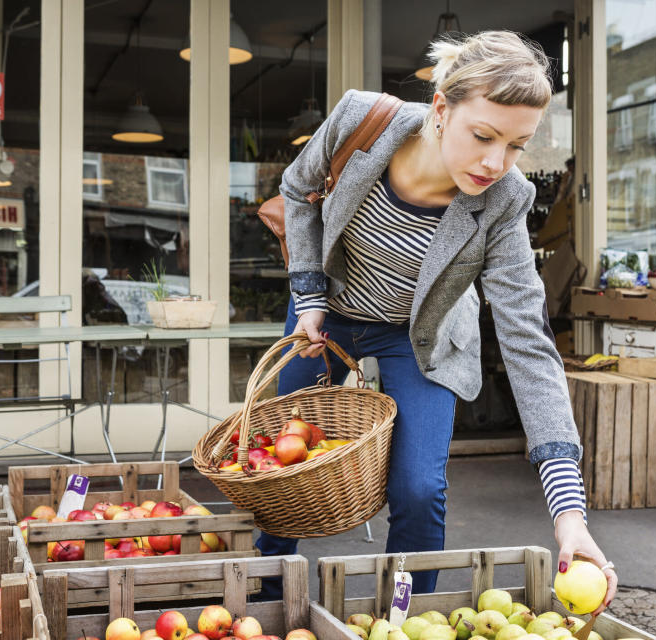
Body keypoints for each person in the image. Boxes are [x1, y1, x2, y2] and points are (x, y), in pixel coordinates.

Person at [257, 31, 617, 613]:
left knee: (420, 490)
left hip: (421, 336)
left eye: (517, 146)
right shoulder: (361, 119)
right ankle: (267, 598)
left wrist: (569, 516)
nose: (495, 163)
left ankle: (406, 617)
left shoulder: (505, 200)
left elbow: (528, 342)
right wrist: (307, 294)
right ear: (442, 109)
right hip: (326, 312)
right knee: (279, 465)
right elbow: (298, 191)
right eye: (483, 136)